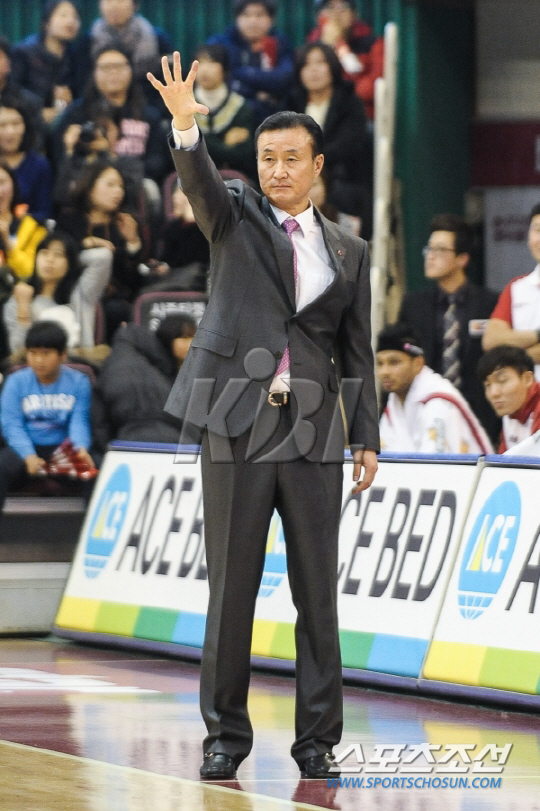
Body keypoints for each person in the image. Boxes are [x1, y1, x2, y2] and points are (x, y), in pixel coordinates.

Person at [147, 52, 379, 780]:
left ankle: (318, 742)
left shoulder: (350, 249)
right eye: (266, 158)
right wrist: (186, 127)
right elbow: (199, 182)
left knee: (318, 595)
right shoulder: (235, 216)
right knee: (232, 589)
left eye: (290, 158)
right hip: (235, 422)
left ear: (317, 165)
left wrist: (365, 435)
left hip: (314, 433)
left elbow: (357, 349)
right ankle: (225, 736)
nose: (277, 170)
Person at [398, 213, 500, 443]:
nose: (430, 256)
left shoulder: (490, 303)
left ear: (462, 259)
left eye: (440, 250)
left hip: (480, 419)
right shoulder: (413, 305)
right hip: (426, 416)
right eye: (429, 248)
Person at [0, 320, 93, 511]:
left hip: (63, 448)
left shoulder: (79, 382)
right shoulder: (15, 382)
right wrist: (29, 455)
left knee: (94, 472)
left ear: (63, 354)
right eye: (33, 353)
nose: (38, 360)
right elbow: (11, 424)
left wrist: (80, 449)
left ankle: (95, 528)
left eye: (45, 353)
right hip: (24, 447)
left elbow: (79, 421)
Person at [288, 41, 371, 237]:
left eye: (320, 63)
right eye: (306, 64)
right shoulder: (292, 102)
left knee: (341, 195)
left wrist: (311, 163)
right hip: (297, 174)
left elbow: (349, 146)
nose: (313, 70)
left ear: (332, 67)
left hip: (341, 176)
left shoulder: (349, 103)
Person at [53, 46, 170, 184]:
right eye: (106, 68)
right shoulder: (76, 114)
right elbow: (59, 161)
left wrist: (111, 155)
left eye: (119, 67)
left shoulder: (149, 116)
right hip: (87, 184)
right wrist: (70, 148)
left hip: (136, 184)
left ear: (131, 70)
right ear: (94, 72)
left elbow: (157, 164)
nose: (113, 72)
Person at [56, 160, 143, 341]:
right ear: (89, 187)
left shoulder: (123, 225)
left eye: (121, 186)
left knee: (117, 310)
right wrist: (85, 244)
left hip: (109, 298)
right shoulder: (68, 219)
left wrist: (132, 243)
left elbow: (131, 281)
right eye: (110, 185)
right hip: (69, 290)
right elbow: (60, 255)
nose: (118, 191)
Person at [377, 322, 492, 455]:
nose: (384, 372)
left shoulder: (439, 402)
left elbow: (433, 464)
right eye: (380, 363)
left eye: (394, 362)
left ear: (418, 364)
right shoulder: (394, 403)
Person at [92, 314, 196, 458]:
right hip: (172, 449)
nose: (192, 343)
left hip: (126, 450)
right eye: (184, 338)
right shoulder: (149, 369)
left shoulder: (118, 362)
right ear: (167, 338)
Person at [3, 231, 112, 354]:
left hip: (77, 362)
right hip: (36, 364)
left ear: (69, 262)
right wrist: (23, 309)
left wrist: (78, 248)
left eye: (58, 255)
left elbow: (103, 257)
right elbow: (18, 352)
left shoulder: (81, 294)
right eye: (44, 253)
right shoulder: (20, 299)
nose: (50, 260)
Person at [207, 0, 294, 126]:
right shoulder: (221, 44)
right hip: (231, 119)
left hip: (273, 118)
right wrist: (258, 93)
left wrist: (239, 72)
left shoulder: (280, 42)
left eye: (259, 15)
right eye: (246, 15)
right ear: (237, 18)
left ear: (272, 19)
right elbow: (222, 82)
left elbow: (284, 79)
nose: (253, 21)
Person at [483, 202, 540, 381]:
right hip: (524, 396)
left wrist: (514, 358)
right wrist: (537, 335)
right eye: (537, 230)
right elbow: (491, 340)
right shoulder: (517, 287)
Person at [308, 0, 384, 120]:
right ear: (318, 17)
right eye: (329, 7)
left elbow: (369, 90)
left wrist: (340, 47)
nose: (336, 13)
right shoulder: (311, 46)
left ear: (354, 14)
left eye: (344, 7)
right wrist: (327, 47)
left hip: (360, 116)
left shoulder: (373, 44)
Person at [10, 0, 81, 126]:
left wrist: (69, 105)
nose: (70, 21)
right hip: (26, 122)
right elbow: (13, 91)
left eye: (75, 17)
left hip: (64, 122)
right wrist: (38, 112)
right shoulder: (24, 53)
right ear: (46, 23)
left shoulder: (76, 56)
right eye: (63, 15)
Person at [193, 44, 256, 181]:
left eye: (212, 62)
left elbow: (245, 156)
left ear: (225, 69)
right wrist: (224, 146)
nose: (205, 69)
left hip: (233, 178)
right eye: (200, 63)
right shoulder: (183, 106)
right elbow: (178, 153)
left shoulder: (241, 107)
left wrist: (198, 142)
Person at [478, 345, 540, 455]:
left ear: (527, 379)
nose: (494, 393)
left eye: (502, 380)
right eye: (488, 385)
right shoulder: (512, 410)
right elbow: (503, 462)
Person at [0, 96, 53, 222]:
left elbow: (45, 211)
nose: (10, 131)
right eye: (2, 125)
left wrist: (16, 221)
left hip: (27, 229)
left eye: (16, 123)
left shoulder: (39, 165)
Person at [0, 163, 47, 281]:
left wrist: (7, 241)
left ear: (13, 185)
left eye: (1, 182)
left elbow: (27, 272)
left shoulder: (33, 226)